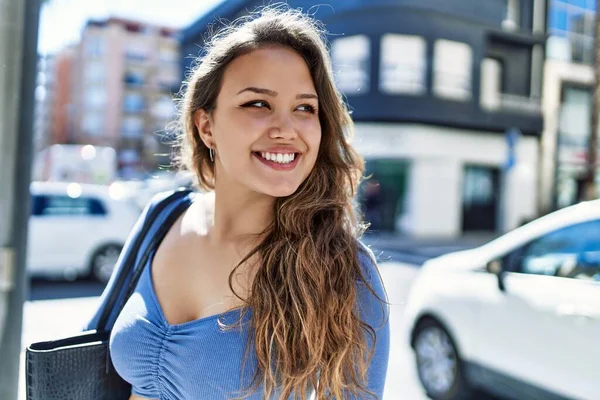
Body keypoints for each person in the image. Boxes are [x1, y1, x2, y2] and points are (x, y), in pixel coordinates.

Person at [108, 6, 389, 400]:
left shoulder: (345, 269)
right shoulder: (163, 216)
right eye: (258, 104)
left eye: (305, 108)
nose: (286, 129)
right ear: (206, 126)